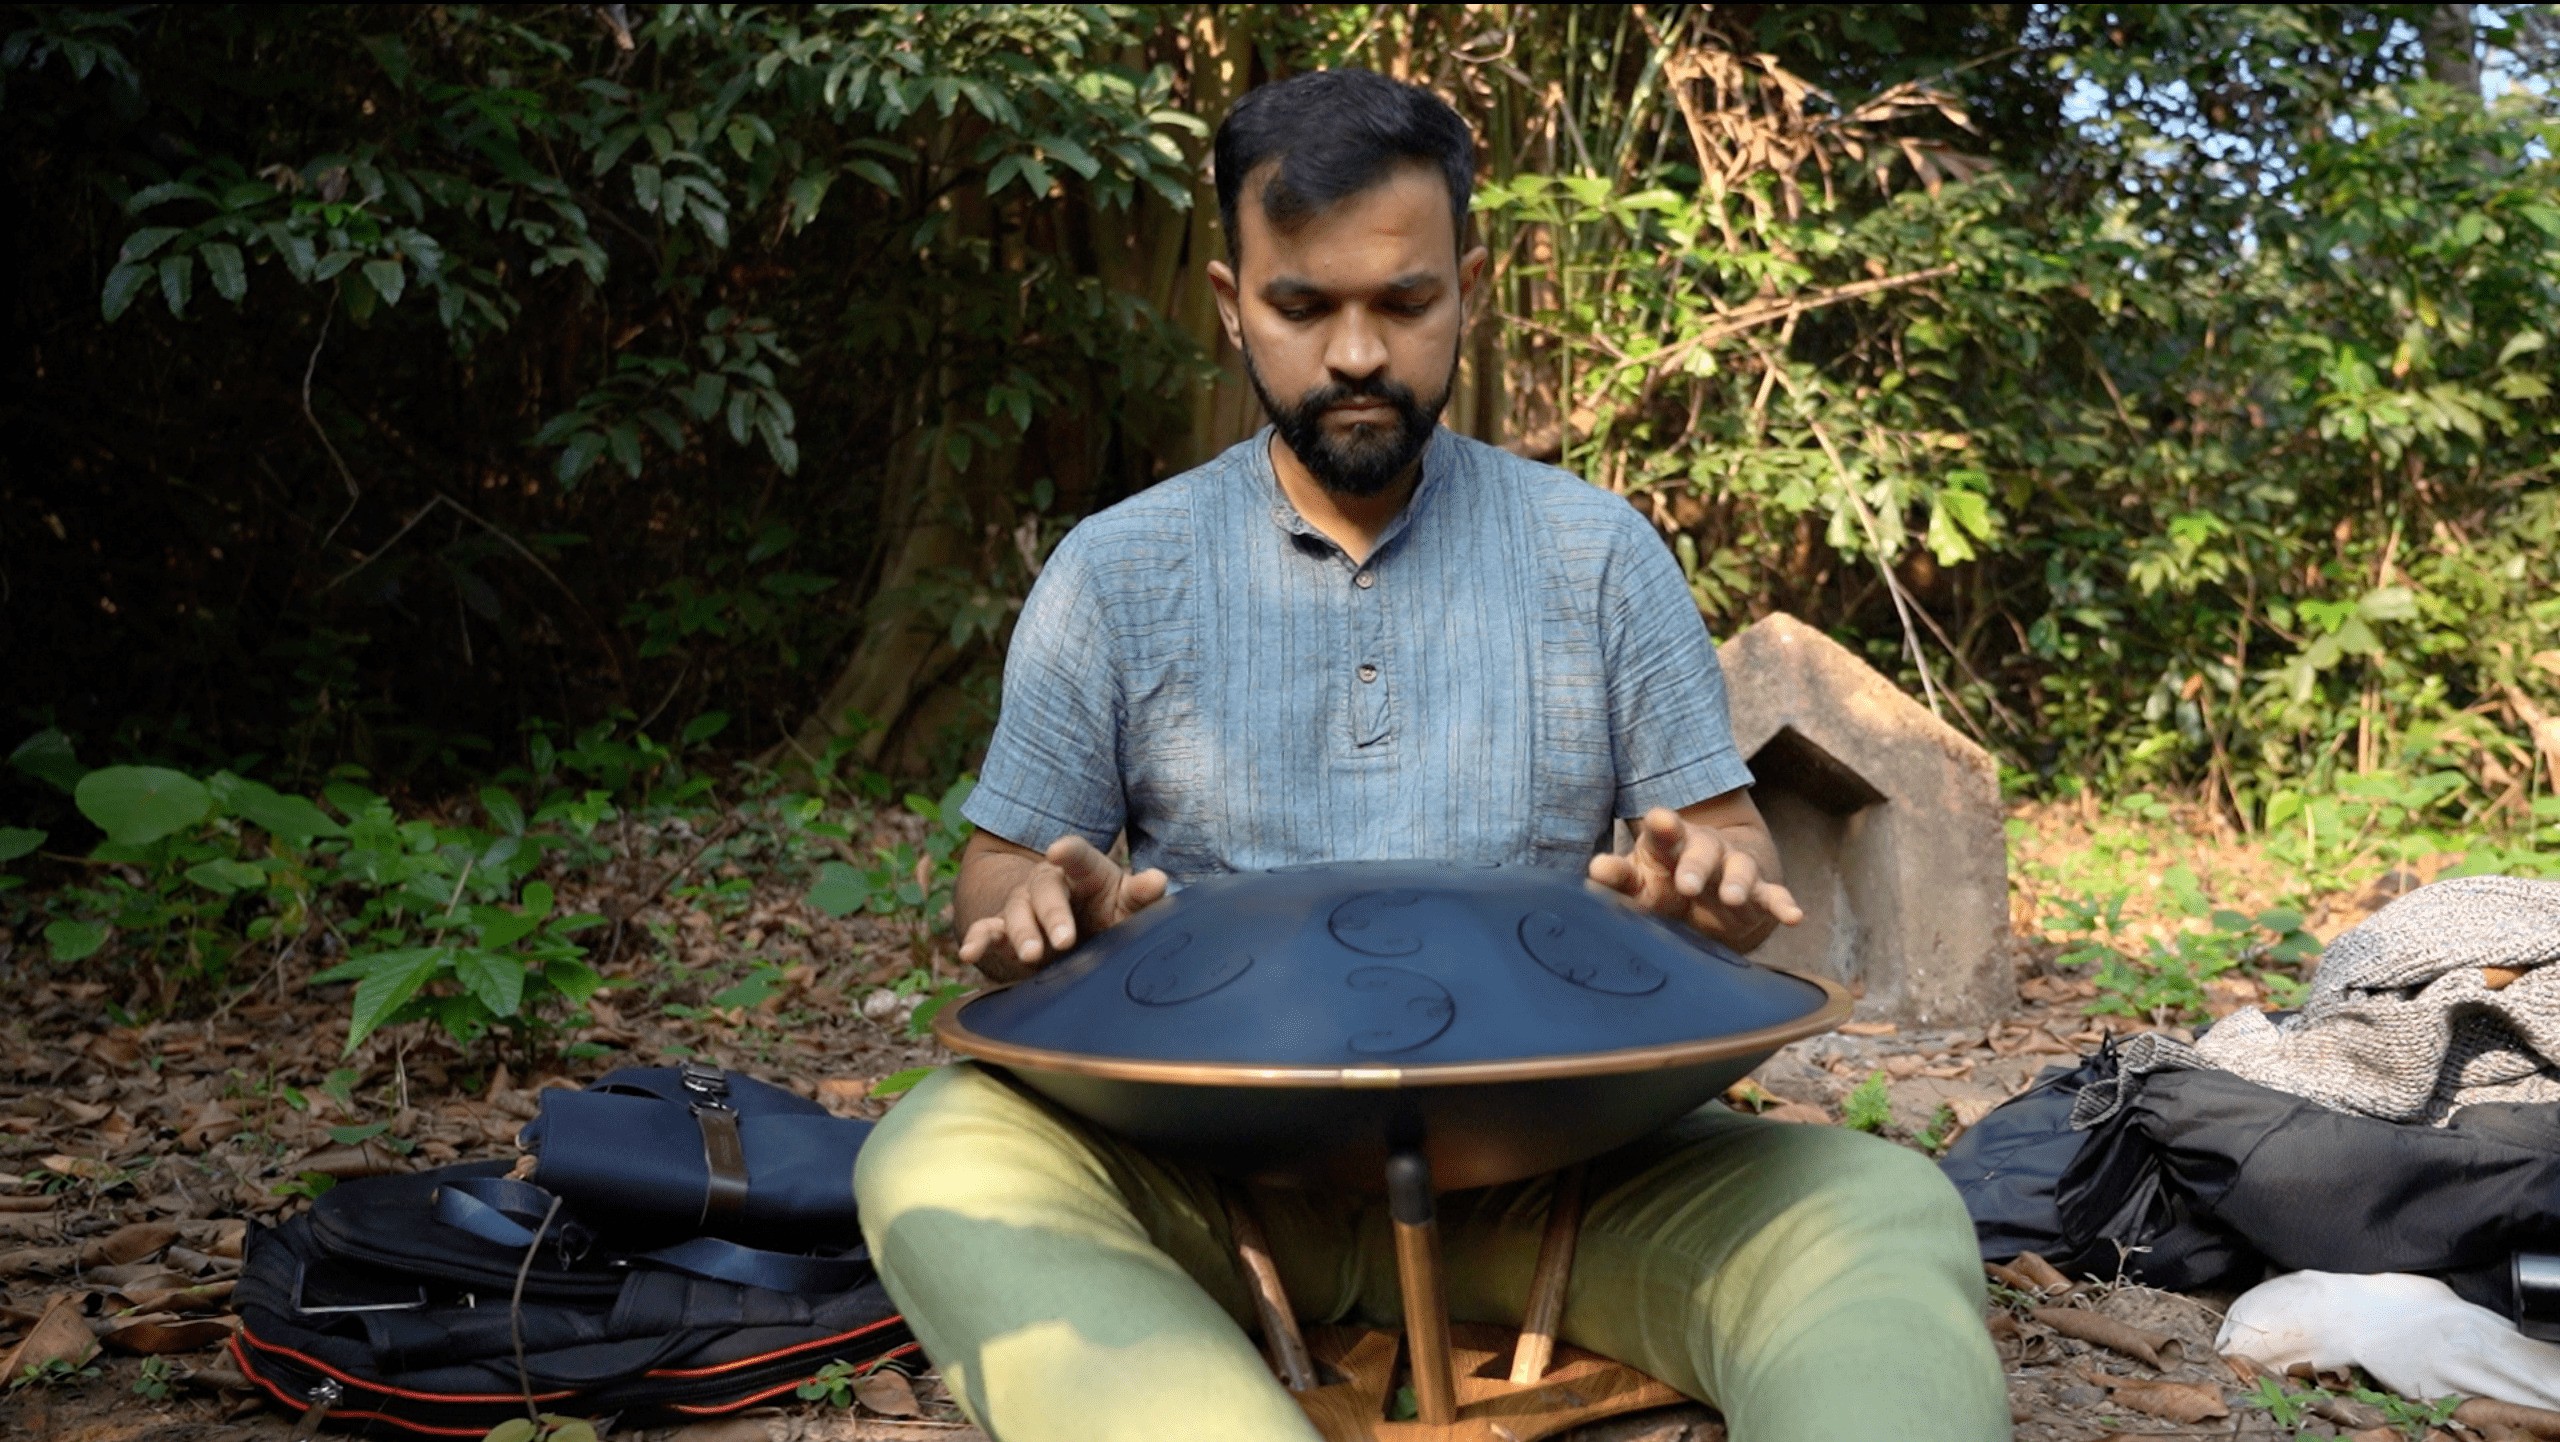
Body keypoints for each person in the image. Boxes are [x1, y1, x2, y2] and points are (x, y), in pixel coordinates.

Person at [854, 68, 2007, 1442]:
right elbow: (994, 880)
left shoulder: (1598, 553)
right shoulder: (1116, 571)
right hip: (1207, 1178)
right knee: (937, 1150)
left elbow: (1728, 841)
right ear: (1232, 303)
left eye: (1403, 304)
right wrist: (1039, 909)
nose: (1356, 354)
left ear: (1468, 287)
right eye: (1303, 307)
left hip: (1561, 1174)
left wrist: (1706, 883)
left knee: (1878, 1207)